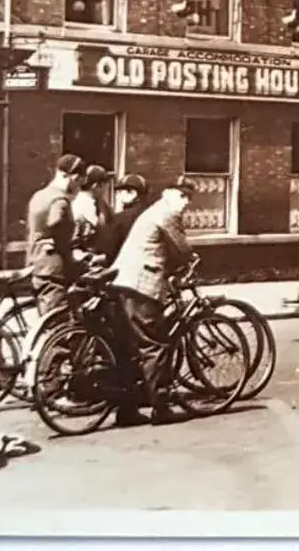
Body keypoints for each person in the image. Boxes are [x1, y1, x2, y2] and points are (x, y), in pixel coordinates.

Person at [108, 178, 199, 426]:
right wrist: (192, 262)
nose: (186, 202)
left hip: (124, 282)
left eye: (189, 197)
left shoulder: (153, 212)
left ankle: (126, 411)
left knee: (130, 348)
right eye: (182, 196)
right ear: (168, 193)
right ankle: (161, 408)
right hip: (143, 284)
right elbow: (181, 249)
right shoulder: (166, 213)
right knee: (155, 345)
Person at [27, 154, 86, 316]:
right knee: (58, 321)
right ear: (73, 177)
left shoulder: (39, 195)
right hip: (54, 268)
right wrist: (62, 244)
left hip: (37, 263)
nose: (78, 189)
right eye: (79, 184)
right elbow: (55, 222)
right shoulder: (60, 200)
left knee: (45, 315)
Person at [97, 174, 150, 262]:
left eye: (120, 192)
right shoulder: (152, 212)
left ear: (132, 193)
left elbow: (108, 251)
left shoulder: (121, 218)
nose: (117, 196)